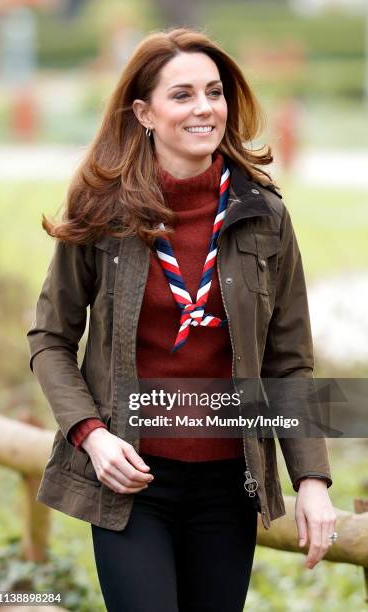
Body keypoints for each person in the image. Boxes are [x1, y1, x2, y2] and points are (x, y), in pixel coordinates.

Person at [27, 27, 337, 612]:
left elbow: (288, 360)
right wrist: (91, 436)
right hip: (132, 479)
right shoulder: (102, 210)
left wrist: (312, 481)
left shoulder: (264, 214)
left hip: (230, 481)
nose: (204, 108)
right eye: (182, 94)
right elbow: (49, 338)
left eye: (214, 92)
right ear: (143, 112)